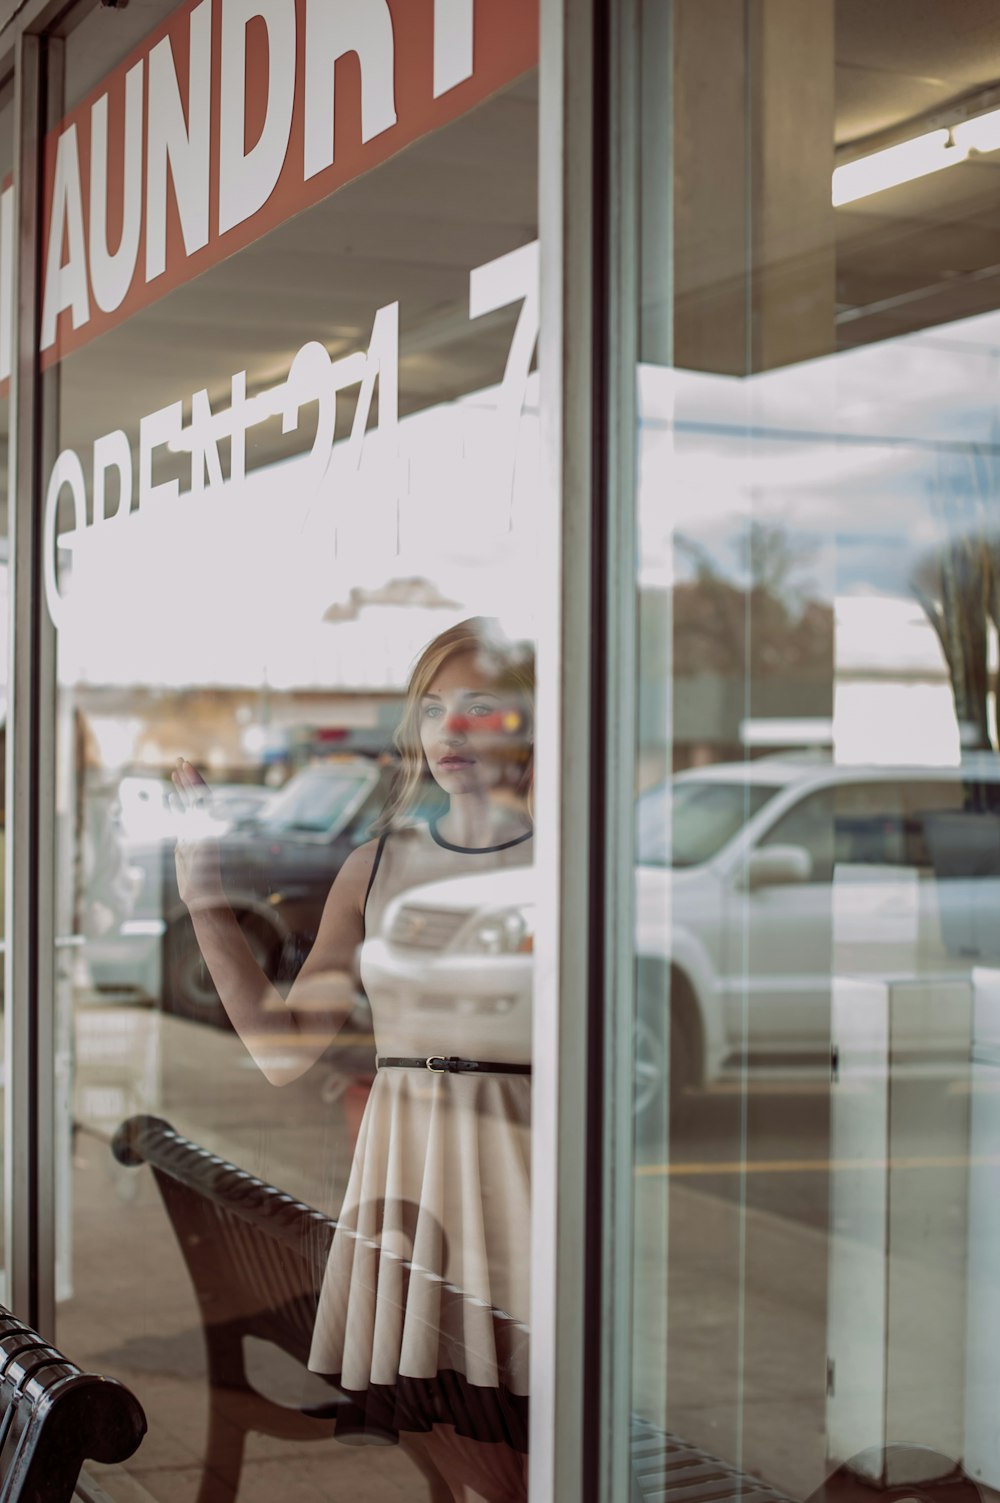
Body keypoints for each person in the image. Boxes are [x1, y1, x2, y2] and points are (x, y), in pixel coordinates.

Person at [172, 618, 534, 1503]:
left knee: (542, 1440)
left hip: (532, 1177)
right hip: (413, 1188)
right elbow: (281, 1049)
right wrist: (205, 900)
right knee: (466, 1449)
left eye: (480, 707)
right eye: (433, 708)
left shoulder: (579, 860)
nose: (450, 730)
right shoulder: (376, 864)